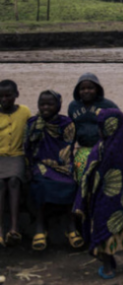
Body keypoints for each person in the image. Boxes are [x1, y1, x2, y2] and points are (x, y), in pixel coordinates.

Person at [73, 108, 123, 280]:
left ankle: (108, 268)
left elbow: (88, 174)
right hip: (121, 199)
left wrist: (81, 200)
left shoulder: (102, 148)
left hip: (102, 200)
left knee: (103, 231)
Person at [24, 90, 81, 251]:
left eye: (50, 104)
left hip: (61, 164)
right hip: (40, 164)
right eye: (42, 104)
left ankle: (70, 226)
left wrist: (62, 166)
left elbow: (67, 148)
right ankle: (40, 226)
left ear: (59, 105)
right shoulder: (32, 123)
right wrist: (28, 167)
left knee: (71, 184)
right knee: (40, 184)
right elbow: (27, 147)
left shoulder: (66, 123)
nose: (46, 107)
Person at [68, 73, 118, 186]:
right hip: (82, 149)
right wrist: (69, 152)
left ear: (97, 89)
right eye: (82, 89)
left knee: (101, 181)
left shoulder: (108, 105)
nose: (86, 91)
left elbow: (119, 123)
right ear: (77, 91)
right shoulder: (73, 107)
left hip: (103, 150)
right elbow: (71, 131)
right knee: (81, 179)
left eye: (90, 88)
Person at [0, 79, 31, 247]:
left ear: (16, 95)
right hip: (0, 157)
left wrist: (29, 163)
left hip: (17, 156)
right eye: (1, 96)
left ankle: (14, 228)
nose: (4, 99)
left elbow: (30, 135)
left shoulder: (24, 112)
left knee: (13, 181)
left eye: (8, 95)